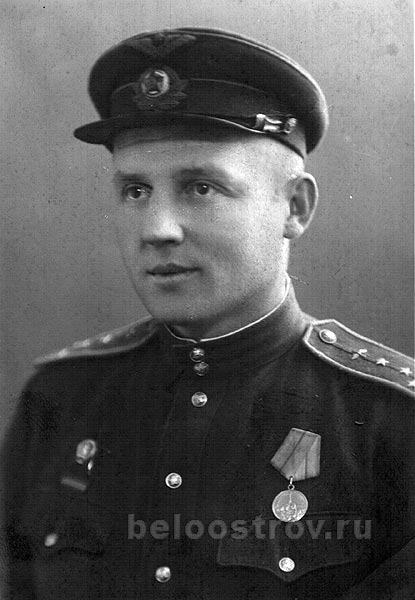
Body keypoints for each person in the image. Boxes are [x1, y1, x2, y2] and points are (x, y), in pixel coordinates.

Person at [1, 27, 414, 600]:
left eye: (200, 187)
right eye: (136, 191)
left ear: (294, 208)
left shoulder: (391, 421)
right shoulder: (60, 398)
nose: (157, 229)